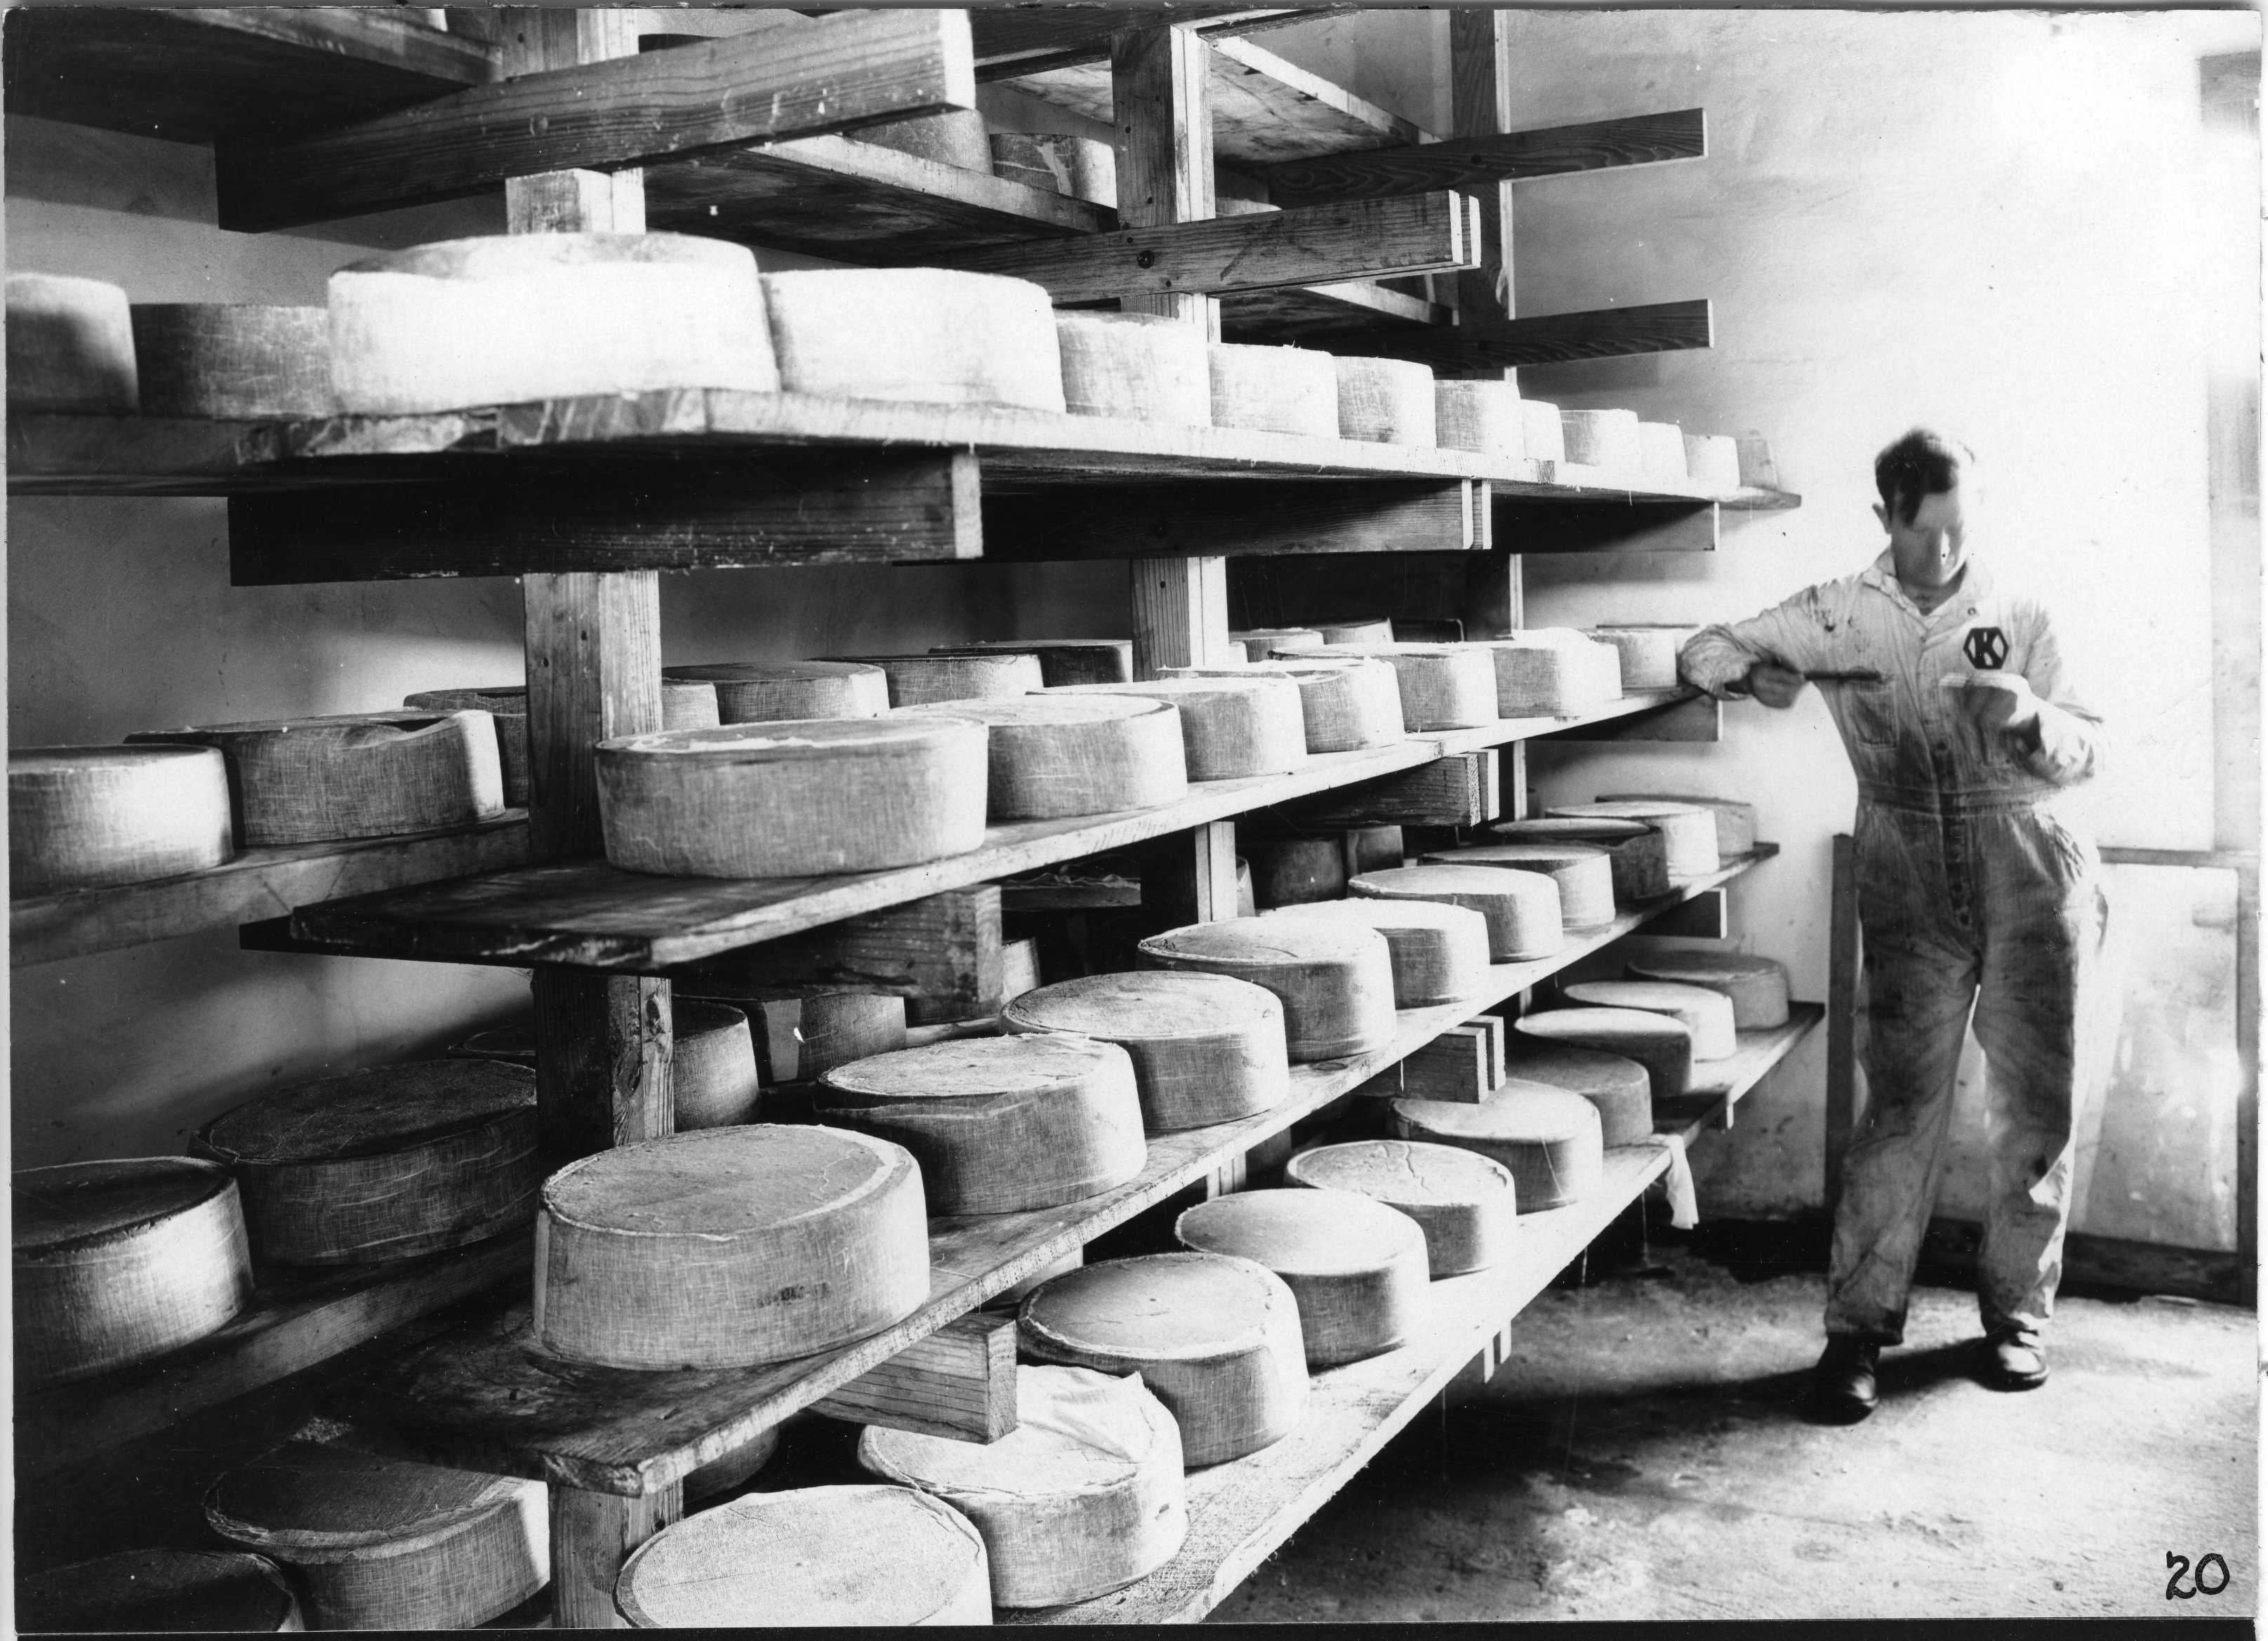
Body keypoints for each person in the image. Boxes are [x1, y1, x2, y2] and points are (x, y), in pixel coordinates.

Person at [1678, 428, 2108, 1421]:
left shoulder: (2024, 611)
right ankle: (1858, 1332)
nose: (1947, 555)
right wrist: (1755, 676)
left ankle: (2017, 1319)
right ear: (1885, 519)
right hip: (1907, 868)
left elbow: (2090, 746)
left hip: (2032, 867)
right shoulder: (1838, 612)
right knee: (1898, 1109)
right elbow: (1704, 650)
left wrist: (2030, 717)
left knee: (2035, 1108)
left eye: (1961, 529)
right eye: (1925, 536)